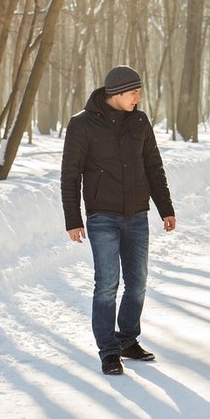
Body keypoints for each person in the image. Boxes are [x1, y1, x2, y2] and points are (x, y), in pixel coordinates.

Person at [61, 65, 177, 376]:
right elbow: (70, 176)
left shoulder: (139, 121)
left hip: (137, 215)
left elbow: (154, 166)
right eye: (133, 92)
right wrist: (73, 218)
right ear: (116, 93)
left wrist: (165, 207)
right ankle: (109, 352)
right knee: (107, 284)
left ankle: (127, 340)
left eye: (139, 91)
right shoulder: (82, 125)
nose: (138, 97)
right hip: (102, 217)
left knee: (137, 283)